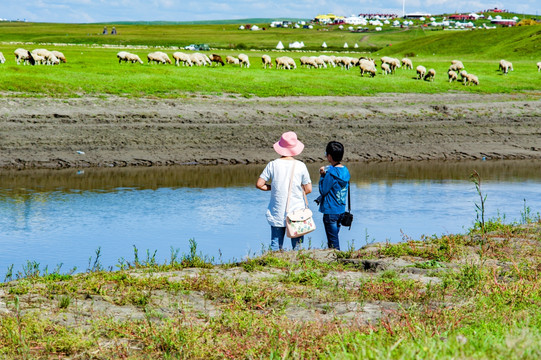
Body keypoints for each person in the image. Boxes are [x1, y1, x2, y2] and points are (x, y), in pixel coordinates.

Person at [256, 132, 312, 251]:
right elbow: (308, 189)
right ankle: (298, 267)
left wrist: (274, 188)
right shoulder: (301, 166)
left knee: (275, 244)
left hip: (277, 211)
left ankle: (274, 267)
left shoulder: (272, 165)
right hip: (297, 212)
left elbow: (259, 184)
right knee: (298, 247)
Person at [316, 141, 350, 251]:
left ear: (329, 156)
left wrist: (322, 176)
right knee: (334, 238)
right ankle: (336, 258)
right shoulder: (345, 170)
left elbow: (323, 190)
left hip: (330, 211)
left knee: (333, 242)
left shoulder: (330, 173)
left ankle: (337, 260)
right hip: (341, 210)